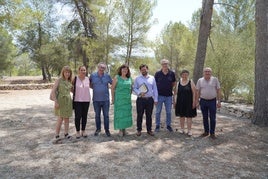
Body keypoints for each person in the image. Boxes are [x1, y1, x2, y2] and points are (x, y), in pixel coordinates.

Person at [196, 67, 221, 139]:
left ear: (211, 73)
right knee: (205, 117)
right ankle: (206, 131)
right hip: (203, 101)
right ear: (203, 72)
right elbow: (198, 91)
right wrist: (197, 101)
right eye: (206, 71)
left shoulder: (215, 80)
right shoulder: (200, 80)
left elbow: (218, 90)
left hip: (212, 101)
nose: (207, 73)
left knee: (213, 118)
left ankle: (212, 133)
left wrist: (219, 101)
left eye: (209, 71)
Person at [133, 64, 158, 136]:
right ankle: (139, 130)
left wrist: (155, 99)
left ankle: (149, 130)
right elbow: (134, 88)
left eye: (145, 69)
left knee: (149, 115)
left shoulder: (152, 78)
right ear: (140, 70)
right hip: (140, 99)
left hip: (150, 100)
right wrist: (139, 93)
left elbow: (155, 89)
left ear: (147, 69)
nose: (144, 71)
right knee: (139, 115)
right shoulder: (137, 78)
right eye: (142, 70)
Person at [50, 66, 73, 139]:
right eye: (66, 72)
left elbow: (72, 90)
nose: (67, 73)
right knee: (60, 118)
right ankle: (57, 134)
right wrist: (55, 102)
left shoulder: (70, 81)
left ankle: (66, 133)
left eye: (69, 72)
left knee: (67, 118)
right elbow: (53, 91)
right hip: (60, 100)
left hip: (68, 101)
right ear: (63, 72)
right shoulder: (59, 80)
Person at [90, 62, 113, 137]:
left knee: (106, 115)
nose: (102, 69)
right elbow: (90, 84)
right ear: (98, 67)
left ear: (105, 69)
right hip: (96, 100)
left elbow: (113, 84)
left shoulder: (107, 76)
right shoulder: (93, 75)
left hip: (105, 100)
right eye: (101, 67)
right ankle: (98, 129)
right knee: (97, 115)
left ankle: (107, 130)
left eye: (103, 68)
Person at [154, 59, 176, 132]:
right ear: (161, 65)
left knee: (169, 112)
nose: (165, 65)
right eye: (163, 64)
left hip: (169, 96)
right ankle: (157, 125)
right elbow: (154, 85)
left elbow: (173, 83)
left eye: (166, 64)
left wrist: (169, 89)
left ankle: (168, 125)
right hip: (159, 95)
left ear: (168, 64)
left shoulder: (172, 73)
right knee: (158, 111)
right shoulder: (157, 73)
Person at [111, 64, 133, 137]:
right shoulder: (117, 78)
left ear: (128, 71)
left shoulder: (129, 79)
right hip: (119, 99)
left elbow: (131, 89)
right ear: (120, 70)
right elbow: (112, 88)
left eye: (126, 70)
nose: (124, 71)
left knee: (126, 114)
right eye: (123, 69)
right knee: (120, 114)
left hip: (127, 100)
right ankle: (120, 129)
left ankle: (124, 129)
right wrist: (113, 99)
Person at [174, 70, 197, 136]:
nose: (185, 76)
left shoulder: (191, 82)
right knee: (181, 116)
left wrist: (194, 102)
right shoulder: (178, 83)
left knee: (189, 116)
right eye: (183, 74)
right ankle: (182, 129)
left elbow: (194, 92)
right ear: (181, 75)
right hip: (180, 102)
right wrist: (175, 101)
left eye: (186, 74)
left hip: (189, 102)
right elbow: (175, 93)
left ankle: (189, 130)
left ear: (188, 75)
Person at [72, 65, 91, 139]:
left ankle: (83, 130)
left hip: (86, 100)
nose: (83, 71)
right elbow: (71, 87)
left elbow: (91, 86)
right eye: (81, 70)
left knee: (84, 116)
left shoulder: (88, 79)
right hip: (77, 100)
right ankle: (77, 131)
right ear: (78, 71)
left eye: (84, 70)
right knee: (78, 116)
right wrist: (76, 93)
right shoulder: (75, 79)